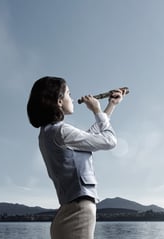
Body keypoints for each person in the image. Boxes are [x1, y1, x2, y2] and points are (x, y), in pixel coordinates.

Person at [27, 76, 125, 239]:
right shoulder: (61, 131)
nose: (72, 98)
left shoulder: (49, 132)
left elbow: (90, 137)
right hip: (78, 211)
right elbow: (109, 141)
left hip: (69, 212)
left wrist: (111, 105)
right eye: (68, 94)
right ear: (59, 101)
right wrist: (96, 111)